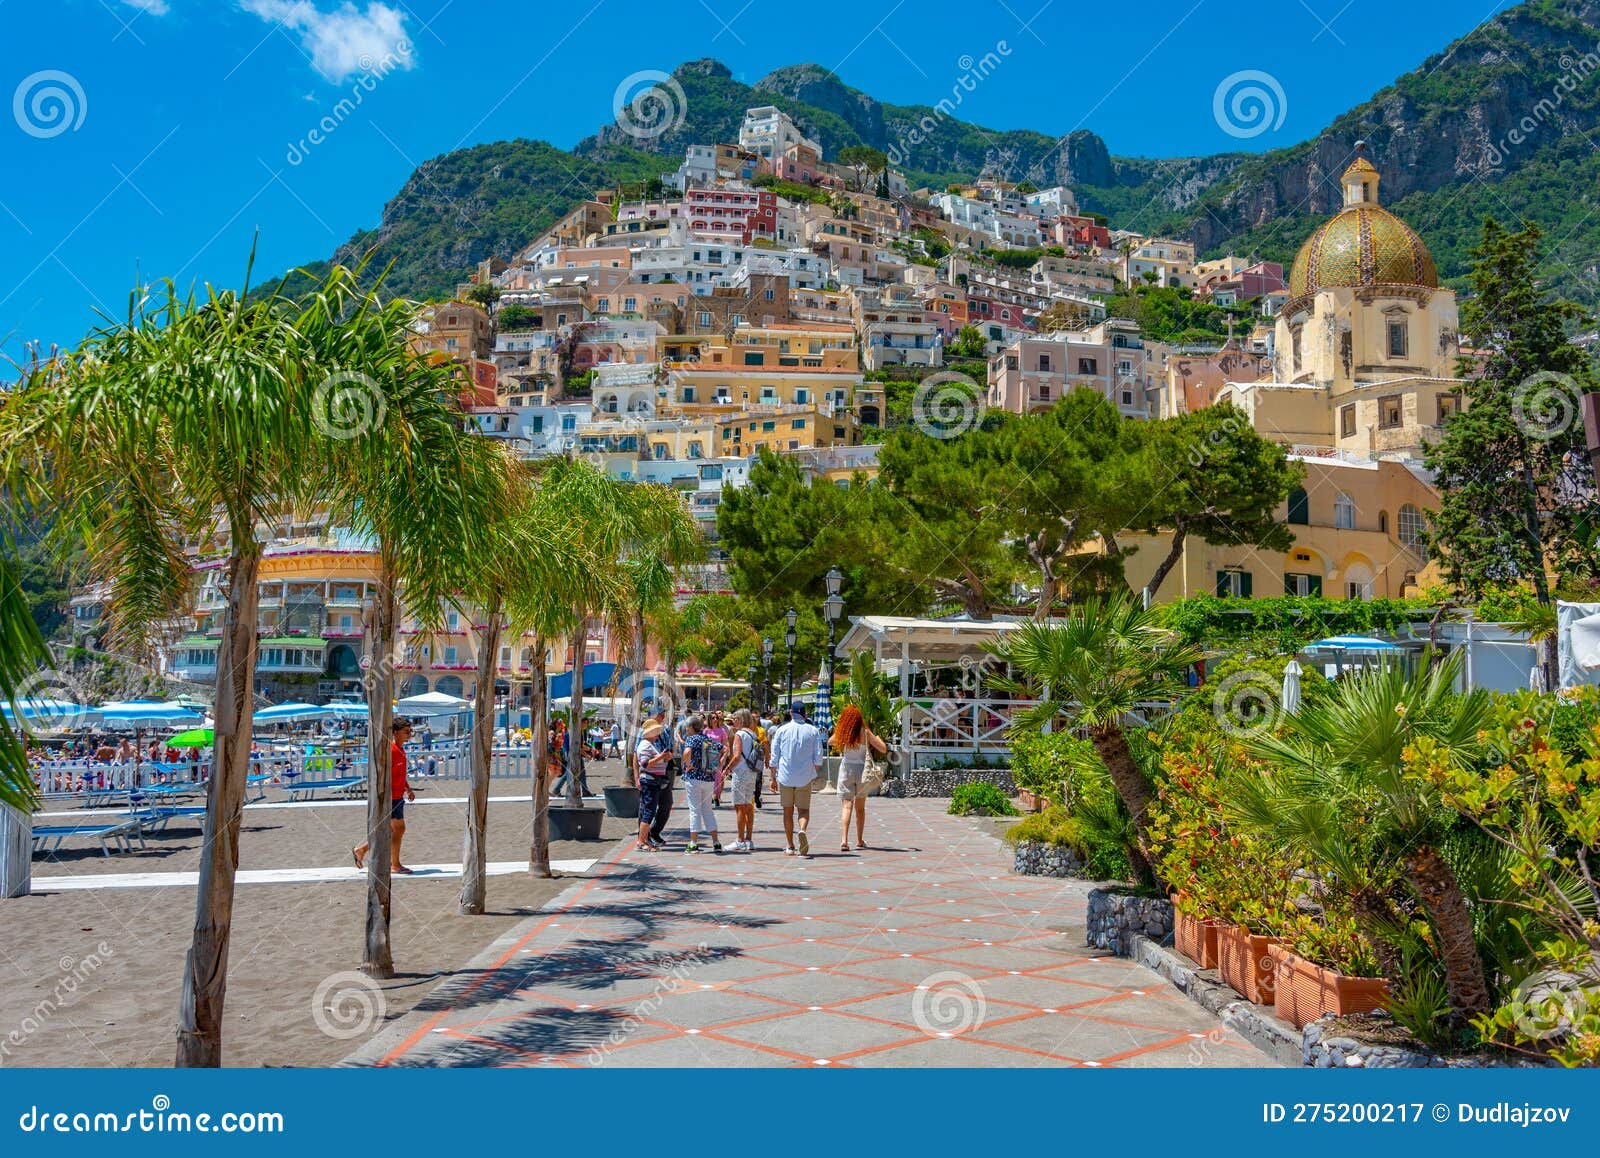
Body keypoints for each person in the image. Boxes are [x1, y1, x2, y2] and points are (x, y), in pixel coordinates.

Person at [353, 717, 417, 874]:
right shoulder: (391, 750)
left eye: (410, 732)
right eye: (406, 732)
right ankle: (394, 864)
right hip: (391, 797)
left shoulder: (400, 750)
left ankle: (361, 850)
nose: (409, 735)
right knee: (398, 829)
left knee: (389, 830)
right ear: (395, 733)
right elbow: (382, 773)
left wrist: (408, 788)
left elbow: (400, 774)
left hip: (397, 795)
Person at [769, 703, 823, 856]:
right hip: (804, 777)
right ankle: (802, 830)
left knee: (787, 811)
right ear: (805, 714)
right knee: (804, 810)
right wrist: (813, 774)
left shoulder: (781, 730)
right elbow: (818, 759)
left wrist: (772, 778)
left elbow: (774, 758)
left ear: (791, 713)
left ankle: (790, 846)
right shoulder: (813, 731)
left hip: (785, 776)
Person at [831, 705, 887, 852]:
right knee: (860, 808)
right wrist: (879, 739)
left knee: (846, 806)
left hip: (846, 770)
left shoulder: (843, 732)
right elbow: (883, 748)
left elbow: (830, 741)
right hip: (862, 771)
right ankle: (859, 840)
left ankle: (844, 840)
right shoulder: (865, 732)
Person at [720, 708, 762, 851]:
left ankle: (739, 839)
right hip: (752, 772)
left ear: (742, 719)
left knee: (739, 807)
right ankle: (749, 839)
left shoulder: (739, 734)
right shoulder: (753, 734)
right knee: (749, 806)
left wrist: (727, 768)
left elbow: (737, 756)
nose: (734, 720)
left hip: (741, 772)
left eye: (736, 718)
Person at [679, 714, 721, 853]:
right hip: (709, 778)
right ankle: (716, 842)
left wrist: (688, 765)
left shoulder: (691, 739)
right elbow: (724, 749)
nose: (686, 729)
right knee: (707, 810)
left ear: (691, 727)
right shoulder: (707, 739)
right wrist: (718, 765)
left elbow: (687, 752)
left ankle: (693, 843)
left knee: (695, 811)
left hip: (694, 778)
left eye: (687, 727)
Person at [634, 720, 672, 851]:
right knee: (648, 811)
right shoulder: (645, 745)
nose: (657, 734)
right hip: (650, 780)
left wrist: (664, 758)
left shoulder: (648, 744)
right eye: (656, 732)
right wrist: (661, 756)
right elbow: (645, 764)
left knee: (649, 810)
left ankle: (643, 840)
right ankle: (641, 841)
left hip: (652, 780)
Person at [705, 711, 729, 806]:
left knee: (718, 778)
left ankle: (716, 796)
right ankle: (710, 796)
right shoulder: (705, 731)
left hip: (719, 758)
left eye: (716, 718)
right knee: (708, 778)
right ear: (709, 720)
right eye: (713, 718)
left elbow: (726, 746)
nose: (715, 720)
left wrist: (724, 756)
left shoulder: (722, 731)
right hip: (708, 758)